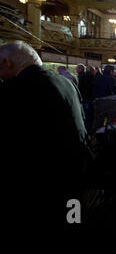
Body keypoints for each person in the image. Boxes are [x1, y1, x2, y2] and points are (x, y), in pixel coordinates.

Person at [0, 41, 89, 232]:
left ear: (7, 62)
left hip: (41, 187)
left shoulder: (15, 89)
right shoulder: (67, 83)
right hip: (75, 177)